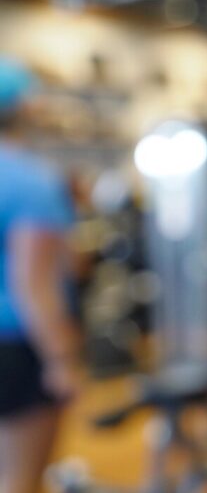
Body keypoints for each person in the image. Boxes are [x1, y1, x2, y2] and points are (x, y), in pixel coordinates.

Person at [0, 57, 81, 493]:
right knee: (18, 481)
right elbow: (34, 285)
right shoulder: (31, 182)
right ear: (25, 108)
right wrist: (61, 360)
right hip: (15, 347)